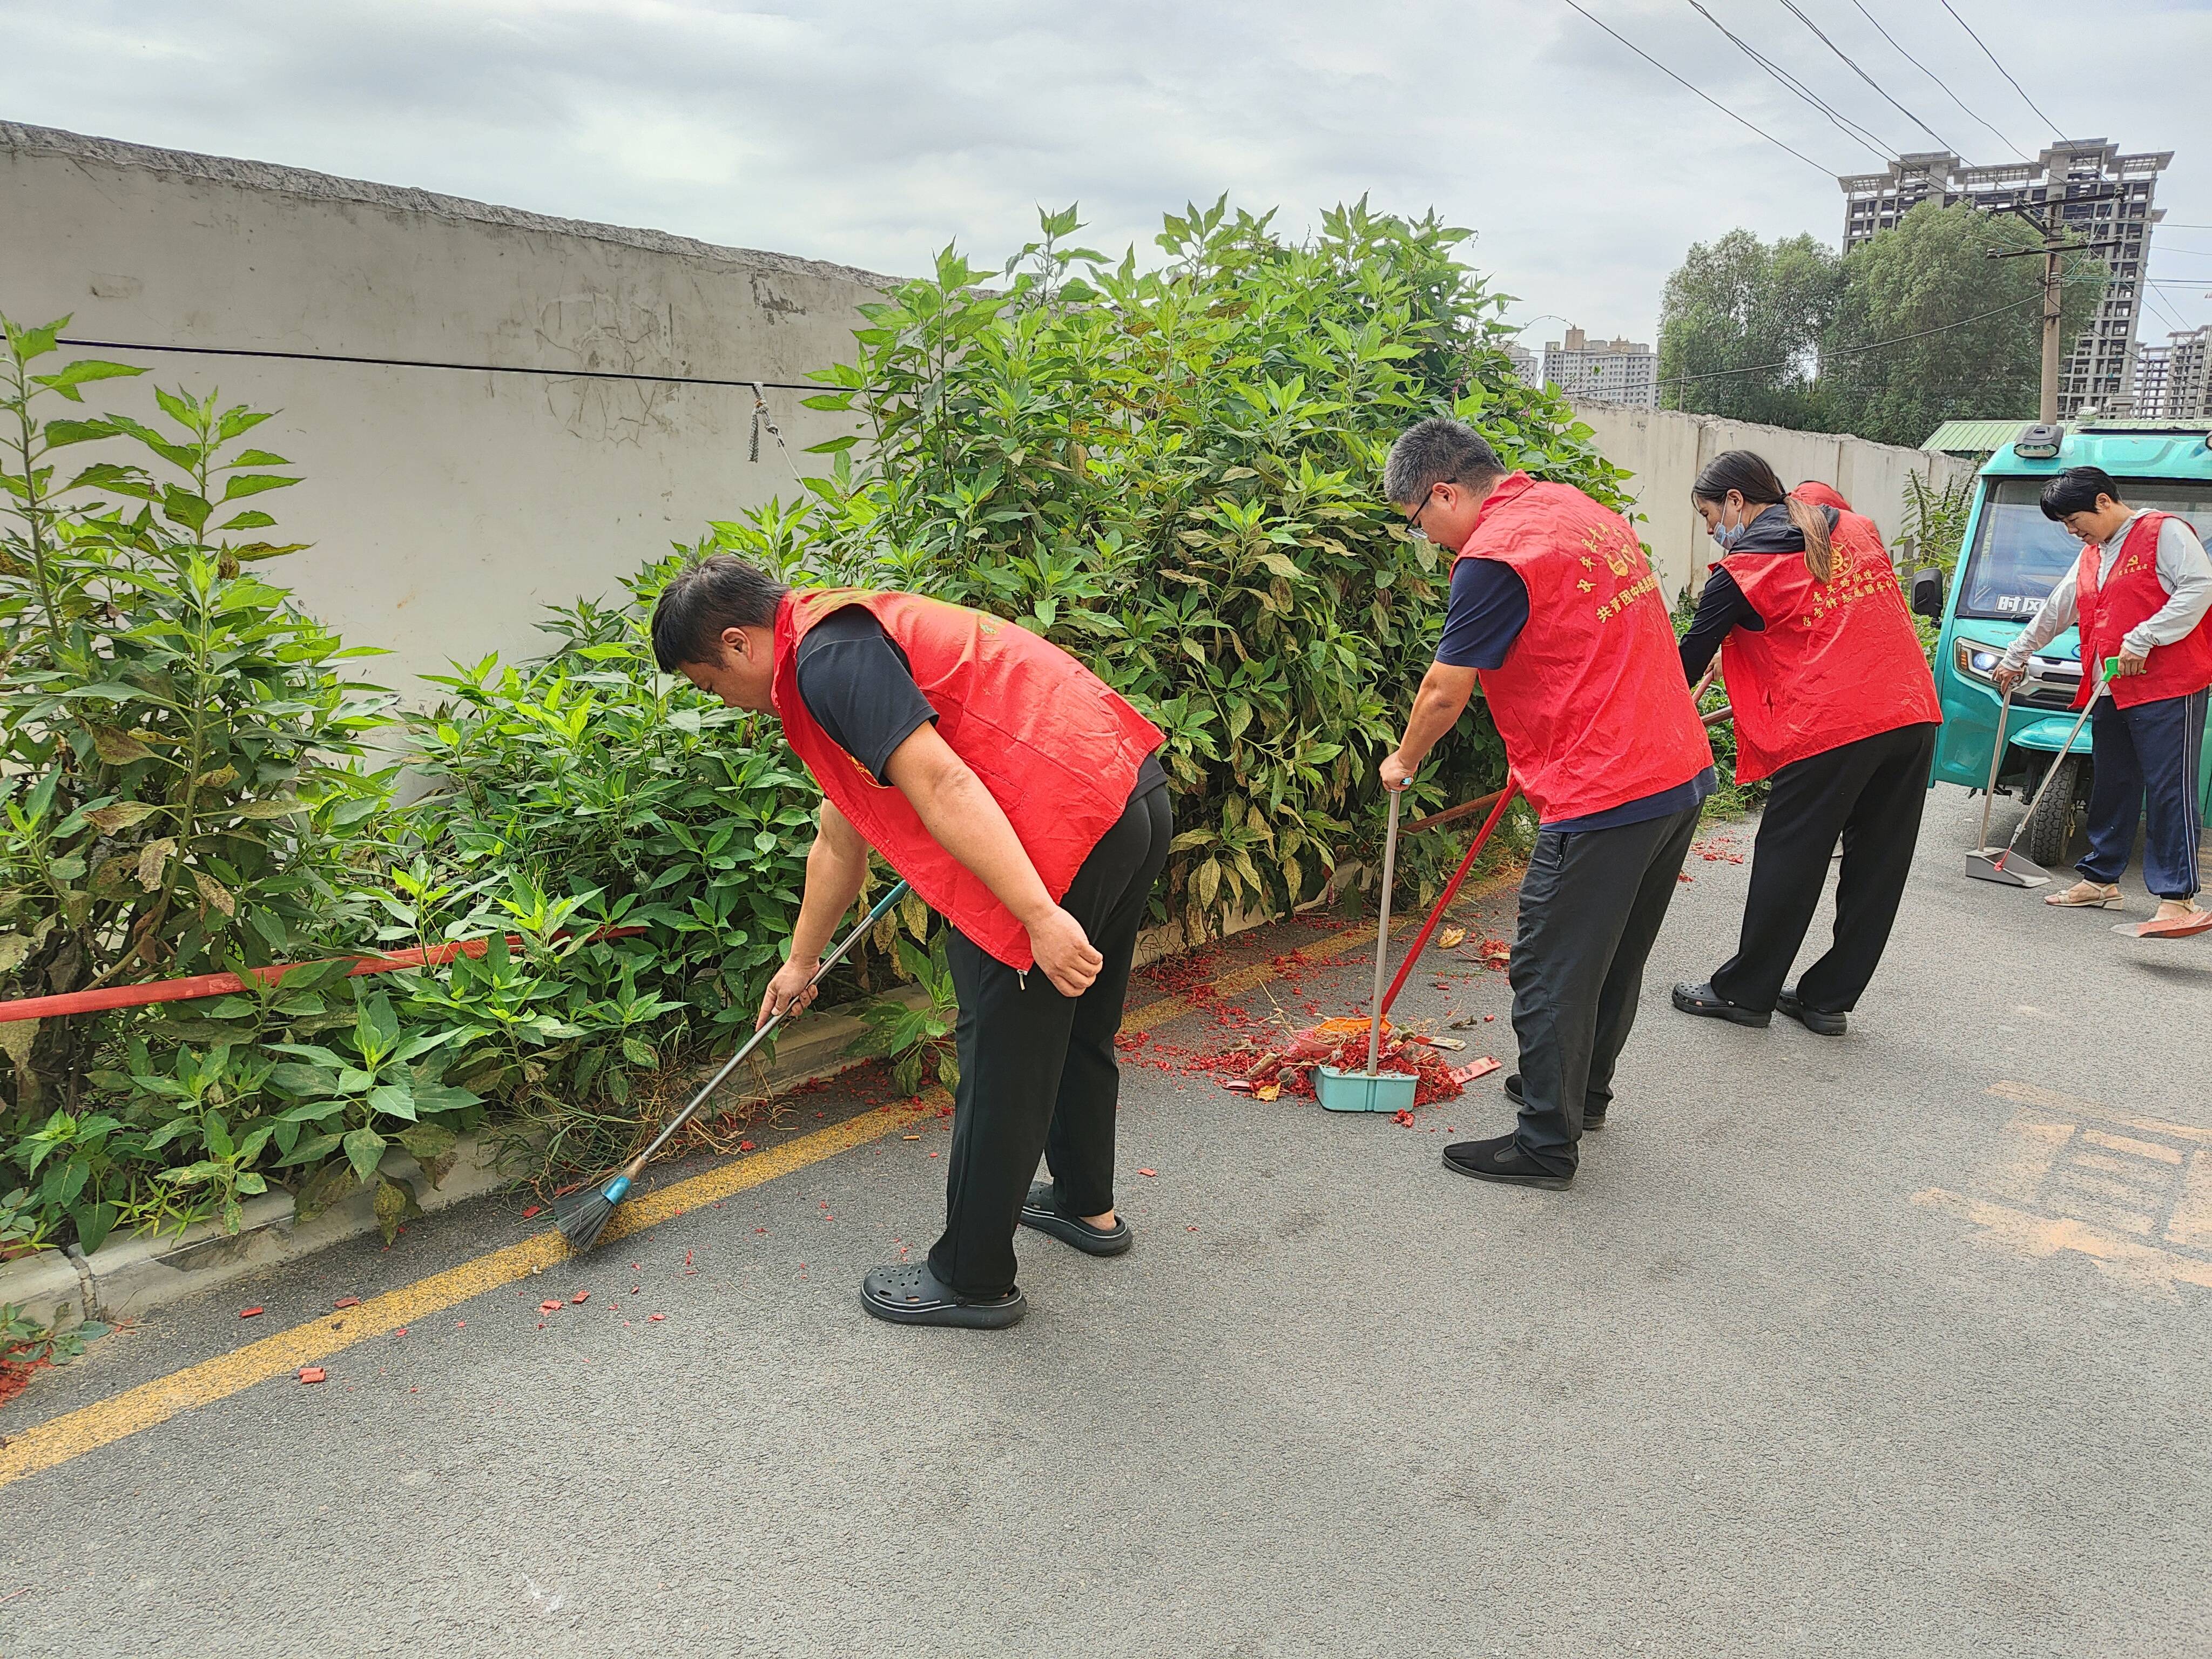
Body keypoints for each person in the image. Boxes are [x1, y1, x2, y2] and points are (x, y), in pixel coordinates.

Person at [650, 557, 1172, 1328]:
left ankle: (971, 1278)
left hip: (1057, 837)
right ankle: (1085, 1204)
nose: (722, 702)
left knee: (1002, 1058)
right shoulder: (833, 639)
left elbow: (944, 785)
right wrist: (800, 965)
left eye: (708, 684)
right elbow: (840, 836)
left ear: (737, 644)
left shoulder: (827, 660)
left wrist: (1035, 913)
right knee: (1080, 1023)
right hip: (1124, 792)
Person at [1379, 419, 1715, 1189]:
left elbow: (1444, 688)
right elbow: (1584, 644)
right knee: (1614, 954)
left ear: (1445, 493)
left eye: (1420, 522)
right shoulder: (1573, 510)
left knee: (1549, 965)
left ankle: (1543, 1143)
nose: (1429, 540)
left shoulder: (1495, 558)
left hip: (1606, 789)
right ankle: (1576, 1094)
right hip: (1673, 769)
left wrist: (1404, 760)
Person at [1668, 456, 1942, 1036]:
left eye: (1708, 514)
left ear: (1736, 501)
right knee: (1878, 863)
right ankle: (1826, 1000)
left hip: (1830, 726)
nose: (1710, 528)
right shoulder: (1855, 529)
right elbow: (1837, 613)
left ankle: (1744, 993)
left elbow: (1682, 663)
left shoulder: (1742, 570)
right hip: (1909, 711)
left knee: (1790, 856)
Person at [1993, 467, 2212, 936]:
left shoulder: (2164, 533)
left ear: (2103, 502)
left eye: (2075, 520)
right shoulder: (2094, 553)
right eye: (2066, 526)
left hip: (2169, 685)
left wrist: (2146, 637)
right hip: (2111, 685)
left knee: (2170, 786)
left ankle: (2177, 897)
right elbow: (2060, 605)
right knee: (2113, 782)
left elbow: (2199, 587)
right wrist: (2017, 655)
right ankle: (2101, 879)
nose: (2073, 532)